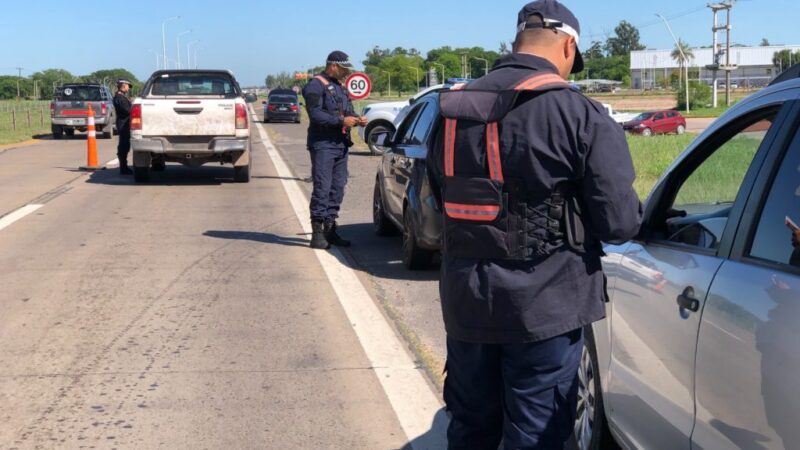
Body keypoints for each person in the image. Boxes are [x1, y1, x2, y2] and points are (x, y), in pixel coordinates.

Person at [426, 1, 642, 448]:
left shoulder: (449, 110)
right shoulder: (580, 115)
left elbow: (437, 197)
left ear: (516, 41)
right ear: (568, 45)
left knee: (469, 429)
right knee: (537, 435)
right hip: (545, 309)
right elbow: (619, 223)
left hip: (466, 303)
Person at [302, 51, 367, 249]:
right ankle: (317, 233)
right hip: (323, 144)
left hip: (340, 144)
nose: (347, 73)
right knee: (322, 187)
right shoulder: (315, 85)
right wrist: (341, 120)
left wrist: (356, 119)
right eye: (344, 69)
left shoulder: (340, 87)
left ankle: (331, 229)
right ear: (333, 66)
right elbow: (315, 115)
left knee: (338, 187)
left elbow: (346, 111)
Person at [113, 79, 133, 175]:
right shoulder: (120, 98)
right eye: (128, 86)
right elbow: (128, 111)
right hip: (123, 124)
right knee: (124, 146)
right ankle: (123, 168)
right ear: (124, 85)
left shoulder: (121, 97)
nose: (128, 88)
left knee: (125, 145)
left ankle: (124, 167)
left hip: (124, 124)